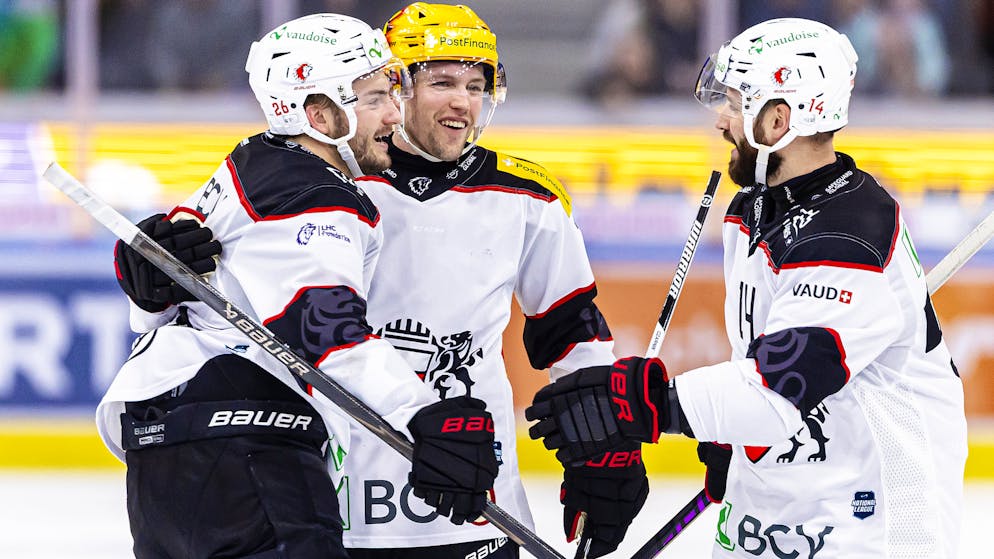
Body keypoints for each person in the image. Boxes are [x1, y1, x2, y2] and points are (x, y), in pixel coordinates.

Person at [113, 4, 649, 558]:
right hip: (339, 494)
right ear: (395, 87)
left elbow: (572, 330)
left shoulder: (528, 196)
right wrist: (151, 284)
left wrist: (604, 444)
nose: (462, 101)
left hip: (473, 492)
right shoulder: (315, 174)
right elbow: (211, 282)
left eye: (476, 84)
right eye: (441, 81)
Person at [526, 17, 967, 558]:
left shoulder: (851, 235)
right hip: (767, 527)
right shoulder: (753, 211)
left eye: (736, 103)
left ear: (779, 119)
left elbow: (776, 391)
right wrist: (732, 437)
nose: (721, 118)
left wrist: (646, 404)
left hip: (870, 537)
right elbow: (760, 371)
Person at [98, 13, 499, 558]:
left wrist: (147, 293)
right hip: (248, 449)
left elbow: (171, 301)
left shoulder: (250, 161)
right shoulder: (314, 194)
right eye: (376, 97)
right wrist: (424, 416)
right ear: (318, 113)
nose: (393, 114)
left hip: (166, 454)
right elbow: (325, 327)